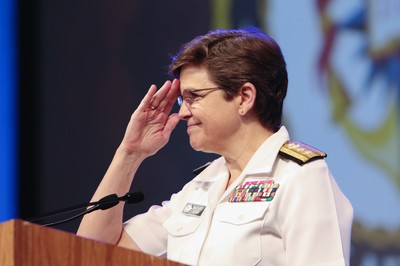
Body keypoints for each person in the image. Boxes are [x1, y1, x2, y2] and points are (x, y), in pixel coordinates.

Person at [77, 28, 353, 265]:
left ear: (244, 98)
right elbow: (94, 253)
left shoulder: (300, 178)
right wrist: (129, 154)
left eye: (194, 96)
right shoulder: (203, 185)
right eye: (181, 100)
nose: (183, 112)